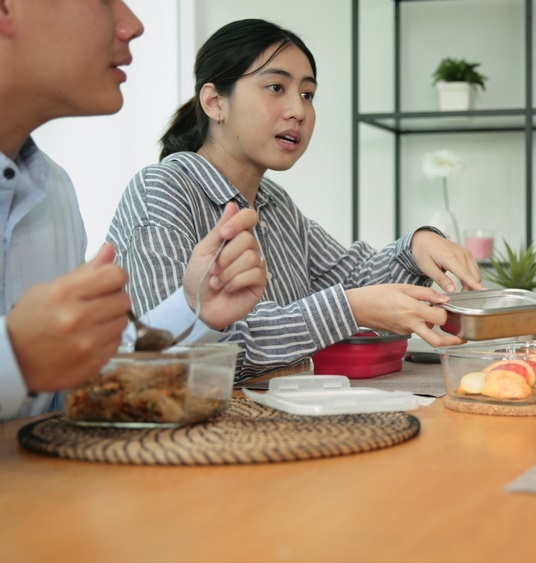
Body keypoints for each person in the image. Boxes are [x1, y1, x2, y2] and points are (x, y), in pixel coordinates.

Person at [107, 19, 485, 381]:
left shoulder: (273, 202)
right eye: (276, 88)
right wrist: (349, 309)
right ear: (214, 102)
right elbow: (169, 357)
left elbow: (353, 278)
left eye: (308, 94)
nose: (298, 111)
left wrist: (415, 247)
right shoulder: (161, 191)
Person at [0, 0, 267, 421]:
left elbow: (76, 380)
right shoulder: (160, 184)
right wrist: (14, 357)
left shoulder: (53, 192)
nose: (133, 24)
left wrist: (194, 309)